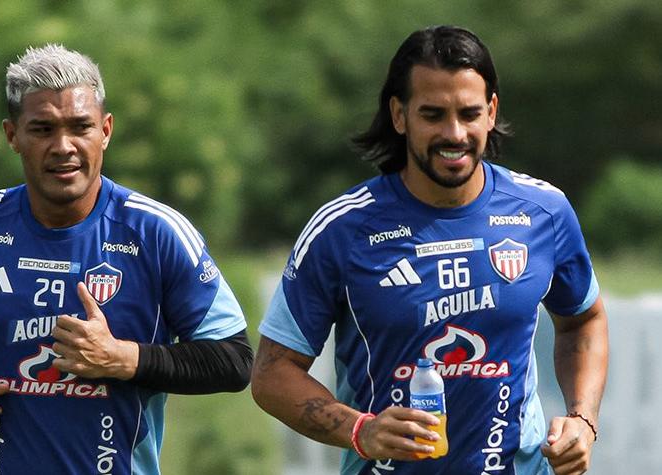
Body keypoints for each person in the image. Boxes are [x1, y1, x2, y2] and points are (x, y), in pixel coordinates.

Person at [251, 25, 608, 475]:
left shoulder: (543, 211)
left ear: (492, 112)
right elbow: (271, 372)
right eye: (433, 114)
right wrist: (359, 429)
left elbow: (583, 321)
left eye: (469, 113)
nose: (455, 133)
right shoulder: (342, 228)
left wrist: (583, 419)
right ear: (399, 116)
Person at [0, 44, 253, 474]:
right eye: (42, 129)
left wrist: (122, 358)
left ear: (105, 130)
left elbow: (234, 361)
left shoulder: (156, 233)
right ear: (12, 136)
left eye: (80, 127)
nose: (63, 146)